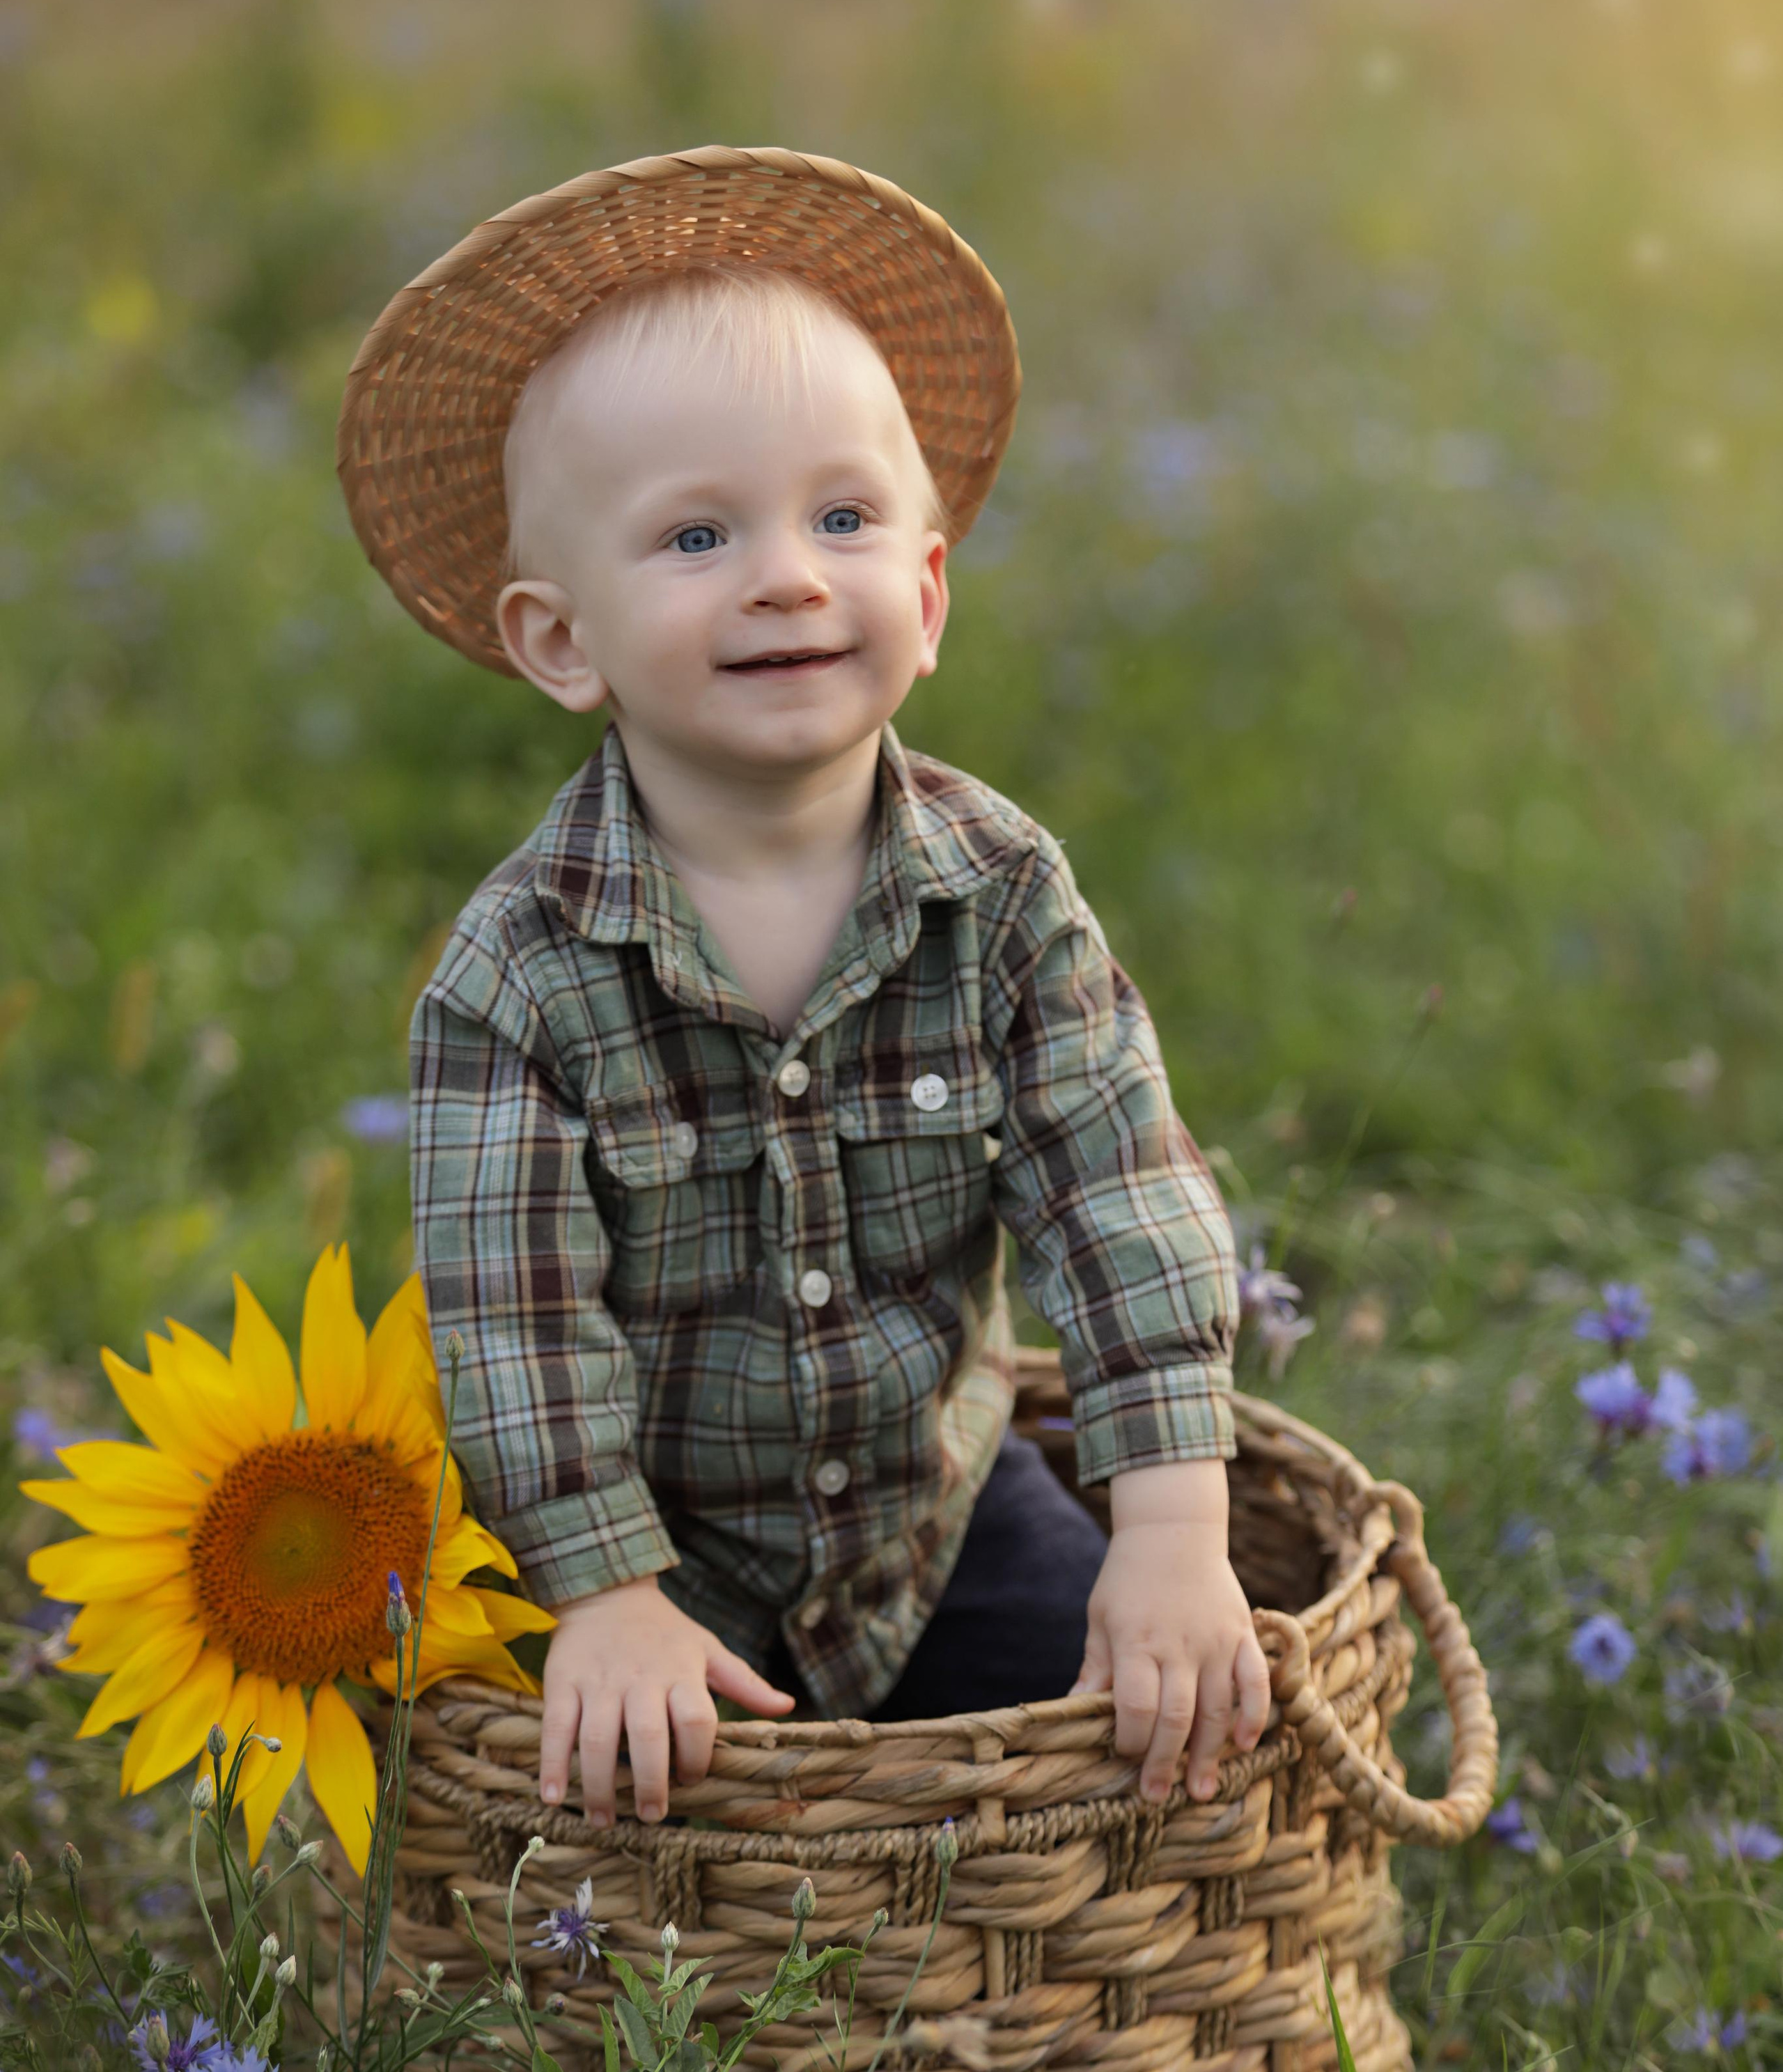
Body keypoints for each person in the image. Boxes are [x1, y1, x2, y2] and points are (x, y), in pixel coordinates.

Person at [338, 148, 1271, 1837]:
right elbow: (515, 1323)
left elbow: (1119, 1198)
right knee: (616, 1832)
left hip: (936, 1520)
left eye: (840, 519)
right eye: (697, 534)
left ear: (921, 593)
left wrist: (1171, 1528)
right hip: (645, 1547)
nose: (784, 573)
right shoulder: (517, 973)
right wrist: (602, 1591)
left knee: (1149, 1728)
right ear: (561, 643)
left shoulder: (996, 898)